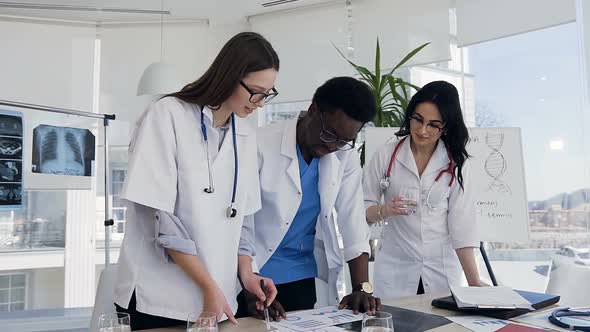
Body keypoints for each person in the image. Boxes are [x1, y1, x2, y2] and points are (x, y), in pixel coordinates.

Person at [113, 32, 280, 330]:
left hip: (219, 296)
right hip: (160, 295)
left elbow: (243, 219)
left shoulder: (245, 136)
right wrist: (208, 287)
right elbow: (161, 219)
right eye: (255, 91)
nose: (260, 103)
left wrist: (247, 274)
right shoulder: (166, 116)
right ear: (229, 76)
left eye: (267, 94)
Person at [237, 77, 380, 320]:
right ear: (313, 110)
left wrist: (361, 287)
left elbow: (352, 218)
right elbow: (241, 222)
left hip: (300, 274)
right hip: (250, 274)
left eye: (344, 141)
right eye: (329, 134)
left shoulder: (344, 155)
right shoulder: (258, 144)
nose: (334, 146)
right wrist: (250, 281)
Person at [363, 80, 487, 300]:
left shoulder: (456, 163)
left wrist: (474, 281)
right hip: (395, 267)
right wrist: (385, 210)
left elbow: (462, 225)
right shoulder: (386, 154)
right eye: (418, 120)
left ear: (446, 127)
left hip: (440, 269)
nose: (422, 130)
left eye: (433, 125)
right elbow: (362, 209)